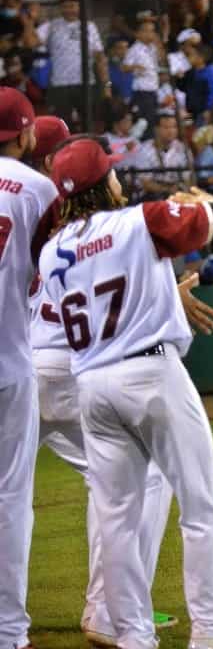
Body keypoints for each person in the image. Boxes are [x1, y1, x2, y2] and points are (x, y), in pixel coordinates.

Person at [36, 136, 213, 649]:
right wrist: (201, 201)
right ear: (102, 183)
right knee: (199, 506)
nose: (119, 178)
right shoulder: (141, 218)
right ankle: (212, 634)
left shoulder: (51, 252)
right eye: (112, 172)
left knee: (116, 519)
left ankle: (134, 637)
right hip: (151, 374)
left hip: (91, 382)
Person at [26, 119, 182, 646]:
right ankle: (111, 611)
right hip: (68, 369)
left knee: (10, 495)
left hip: (19, 366)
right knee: (138, 481)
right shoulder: (76, 214)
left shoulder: (30, 210)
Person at [0, 89, 59, 649]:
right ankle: (8, 632)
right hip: (10, 358)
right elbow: (55, 272)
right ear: (25, 134)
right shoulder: (38, 188)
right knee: (10, 498)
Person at [34, 0, 109, 126]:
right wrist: (29, 21)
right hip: (59, 84)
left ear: (79, 6)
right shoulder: (51, 25)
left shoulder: (89, 26)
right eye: (65, 6)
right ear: (60, 8)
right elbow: (31, 43)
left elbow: (99, 54)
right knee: (61, 126)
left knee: (89, 124)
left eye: (72, 5)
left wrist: (106, 83)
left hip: (86, 82)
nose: (69, 10)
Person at [122, 17, 164, 132]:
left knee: (153, 121)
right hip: (142, 91)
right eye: (146, 31)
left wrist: (158, 43)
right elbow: (124, 67)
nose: (150, 34)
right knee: (143, 122)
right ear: (138, 33)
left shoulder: (152, 48)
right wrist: (135, 67)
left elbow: (162, 60)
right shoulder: (134, 49)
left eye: (152, 31)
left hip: (154, 89)